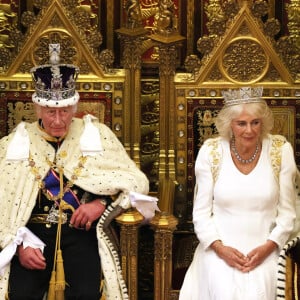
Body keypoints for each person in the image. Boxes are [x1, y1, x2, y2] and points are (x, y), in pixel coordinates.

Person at [0, 44, 149, 300]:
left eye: (65, 111)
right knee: (22, 294)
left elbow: (135, 181)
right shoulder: (13, 144)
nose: (58, 120)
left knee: (87, 293)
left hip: (82, 231)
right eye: (50, 112)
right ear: (37, 109)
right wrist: (18, 242)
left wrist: (101, 203)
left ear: (75, 107)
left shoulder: (96, 134)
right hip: (31, 235)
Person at [179, 87, 298, 300]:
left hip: (268, 249)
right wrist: (219, 248)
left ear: (263, 122)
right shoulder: (211, 151)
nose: (249, 130)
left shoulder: (281, 150)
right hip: (220, 249)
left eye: (255, 122)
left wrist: (268, 248)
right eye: (241, 123)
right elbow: (201, 214)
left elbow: (288, 214)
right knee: (222, 287)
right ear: (229, 125)